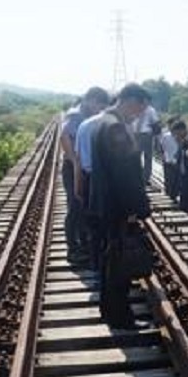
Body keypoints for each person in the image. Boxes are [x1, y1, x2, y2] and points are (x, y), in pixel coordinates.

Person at [89, 83, 152, 329]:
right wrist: (137, 209)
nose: (138, 114)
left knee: (110, 261)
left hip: (104, 204)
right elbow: (124, 174)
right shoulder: (115, 127)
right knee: (119, 265)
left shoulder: (101, 122)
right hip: (116, 207)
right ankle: (121, 319)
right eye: (139, 108)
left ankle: (109, 312)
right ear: (128, 100)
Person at [60, 87, 110, 265]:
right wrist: (75, 163)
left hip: (83, 167)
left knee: (84, 206)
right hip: (73, 167)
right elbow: (64, 137)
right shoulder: (76, 114)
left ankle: (84, 245)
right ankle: (73, 250)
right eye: (99, 105)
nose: (100, 110)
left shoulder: (87, 115)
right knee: (75, 206)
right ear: (90, 100)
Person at [134, 104, 160, 184]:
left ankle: (143, 177)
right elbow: (156, 122)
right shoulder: (150, 109)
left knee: (143, 157)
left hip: (142, 134)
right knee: (144, 157)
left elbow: (155, 123)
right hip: (140, 134)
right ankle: (142, 177)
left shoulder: (148, 109)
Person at [158, 117, 181, 201]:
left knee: (177, 181)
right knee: (168, 180)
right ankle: (169, 197)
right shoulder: (165, 136)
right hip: (168, 161)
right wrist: (163, 157)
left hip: (177, 162)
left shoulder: (180, 136)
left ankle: (174, 196)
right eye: (170, 125)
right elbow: (161, 147)